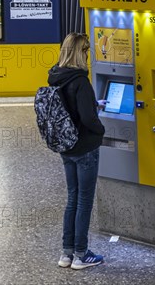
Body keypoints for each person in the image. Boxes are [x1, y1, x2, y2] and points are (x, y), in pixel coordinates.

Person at [48, 33, 106, 270]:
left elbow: (70, 108)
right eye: (86, 51)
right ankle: (82, 255)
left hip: (66, 147)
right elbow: (88, 119)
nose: (87, 55)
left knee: (72, 199)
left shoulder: (56, 76)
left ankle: (67, 254)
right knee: (84, 201)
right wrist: (100, 130)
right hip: (84, 148)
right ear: (80, 53)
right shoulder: (80, 80)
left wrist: (93, 104)